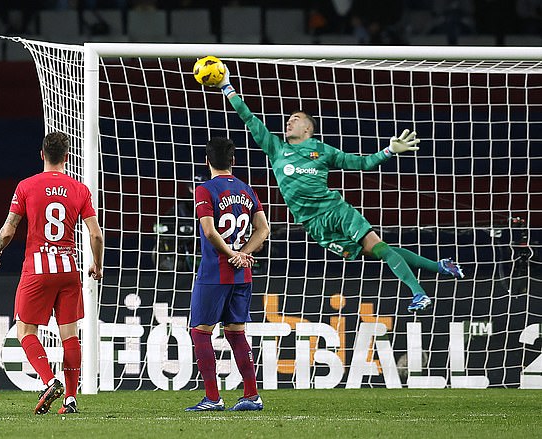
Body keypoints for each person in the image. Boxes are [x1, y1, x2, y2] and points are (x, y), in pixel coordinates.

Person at [212, 66, 464, 313]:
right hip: (314, 226)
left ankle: (419, 293)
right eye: (288, 119)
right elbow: (249, 119)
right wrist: (227, 87)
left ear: (308, 129)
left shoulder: (323, 151)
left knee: (380, 247)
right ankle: (439, 267)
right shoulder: (276, 148)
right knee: (379, 251)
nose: (289, 122)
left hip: (336, 210)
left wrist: (389, 151)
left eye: (295, 119)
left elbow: (362, 163)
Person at [0, 132, 104, 415]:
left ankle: (49, 380)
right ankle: (71, 399)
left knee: (25, 330)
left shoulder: (27, 186)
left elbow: (10, 228)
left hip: (37, 269)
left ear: (42, 155)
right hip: (68, 269)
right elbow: (96, 235)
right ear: (67, 157)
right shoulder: (80, 189)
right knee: (70, 336)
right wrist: (97, 264)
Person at [185, 137, 270, 412]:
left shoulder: (205, 190)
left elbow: (210, 231)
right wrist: (243, 253)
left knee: (200, 332)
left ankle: (212, 398)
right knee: (236, 333)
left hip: (214, 273)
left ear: (207, 161)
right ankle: (252, 394)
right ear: (233, 161)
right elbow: (264, 229)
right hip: (242, 275)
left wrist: (231, 254)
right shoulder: (247, 190)